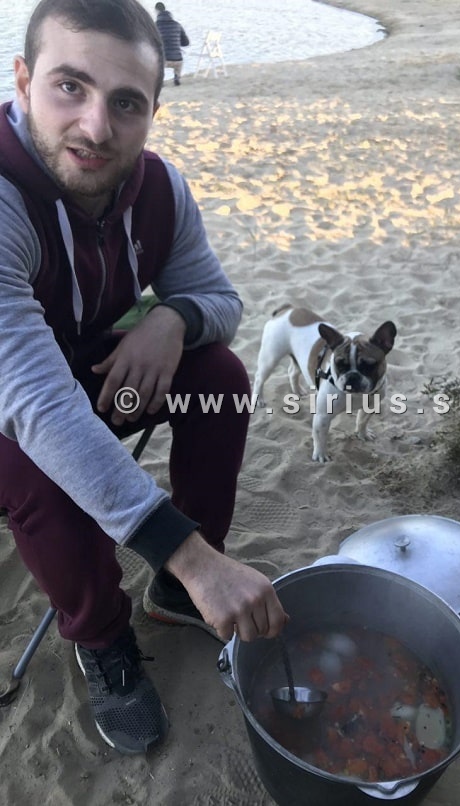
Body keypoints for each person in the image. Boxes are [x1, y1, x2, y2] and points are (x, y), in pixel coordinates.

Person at [0, 0, 287, 756]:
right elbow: (33, 401)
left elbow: (220, 300)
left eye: (126, 102)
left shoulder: (158, 188)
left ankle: (172, 591)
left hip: (95, 377)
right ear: (23, 80)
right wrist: (185, 551)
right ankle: (103, 640)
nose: (96, 128)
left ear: (154, 110)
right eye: (70, 87)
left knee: (218, 376)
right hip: (12, 407)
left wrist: (172, 319)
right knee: (36, 466)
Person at [154, 2, 189, 86]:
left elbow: (152, 42)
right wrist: (176, 42)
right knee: (178, 62)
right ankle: (177, 77)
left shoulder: (155, 25)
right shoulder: (177, 25)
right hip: (178, 60)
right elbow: (186, 43)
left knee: (156, 60)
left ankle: (160, 80)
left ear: (156, 11)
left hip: (164, 61)